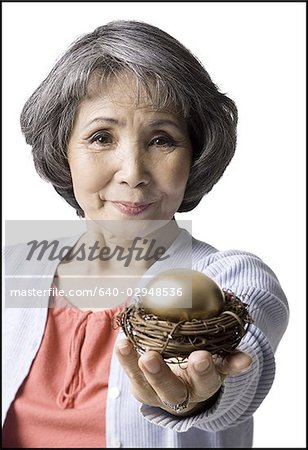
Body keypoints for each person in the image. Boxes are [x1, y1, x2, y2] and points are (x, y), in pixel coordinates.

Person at [2, 20, 289, 448]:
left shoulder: (230, 276)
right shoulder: (13, 268)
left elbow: (242, 361)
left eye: (161, 140)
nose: (133, 173)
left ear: (196, 154)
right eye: (101, 137)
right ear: (63, 151)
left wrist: (196, 394)